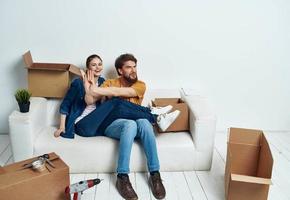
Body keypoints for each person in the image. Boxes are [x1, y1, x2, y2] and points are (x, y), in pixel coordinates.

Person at [84, 53, 167, 200]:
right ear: (120, 70)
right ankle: (122, 177)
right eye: (129, 67)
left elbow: (119, 92)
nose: (133, 70)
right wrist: (89, 87)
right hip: (113, 125)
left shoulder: (140, 85)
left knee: (143, 123)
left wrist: (98, 90)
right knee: (129, 121)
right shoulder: (110, 82)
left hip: (137, 125)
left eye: (135, 66)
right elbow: (90, 100)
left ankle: (155, 174)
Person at [54, 55, 180, 139]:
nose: (97, 67)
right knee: (115, 101)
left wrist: (92, 87)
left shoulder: (104, 82)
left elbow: (100, 101)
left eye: (100, 64)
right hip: (83, 125)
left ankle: (154, 115)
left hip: (99, 126)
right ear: (88, 68)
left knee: (117, 103)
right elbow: (71, 104)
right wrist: (62, 127)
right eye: (94, 65)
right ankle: (154, 114)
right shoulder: (78, 83)